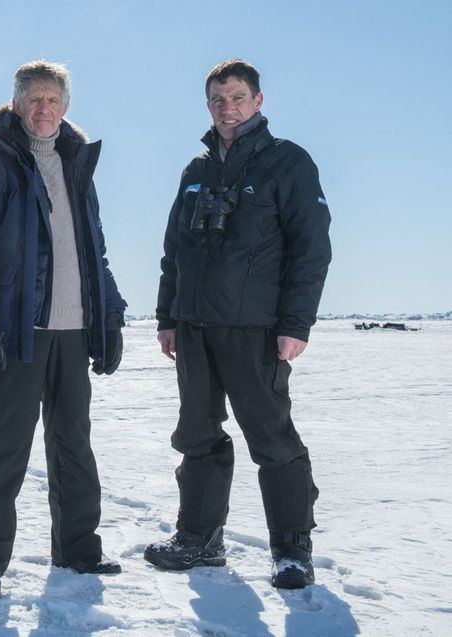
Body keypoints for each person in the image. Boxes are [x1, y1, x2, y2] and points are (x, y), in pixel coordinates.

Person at [144, 59, 332, 589]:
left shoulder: (288, 164)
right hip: (195, 328)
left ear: (258, 101)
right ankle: (200, 540)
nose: (229, 107)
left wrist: (296, 323)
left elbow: (311, 250)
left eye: (238, 97)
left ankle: (292, 550)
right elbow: (172, 252)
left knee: (271, 438)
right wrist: (167, 317)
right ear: (208, 106)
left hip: (256, 330)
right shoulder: (196, 172)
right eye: (218, 99)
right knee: (198, 436)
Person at [0, 60, 128, 601]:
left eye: (52, 99)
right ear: (17, 105)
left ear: (65, 106)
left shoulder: (77, 169)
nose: (43, 109)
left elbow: (93, 251)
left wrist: (112, 312)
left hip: (74, 332)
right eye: (33, 99)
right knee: (1, 451)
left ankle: (77, 549)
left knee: (74, 444)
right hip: (15, 332)